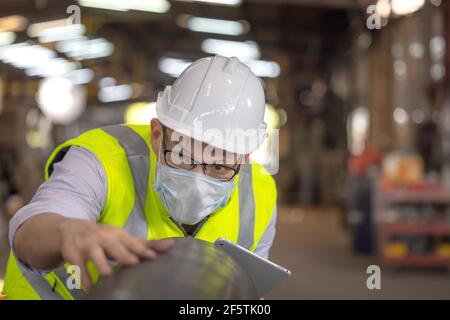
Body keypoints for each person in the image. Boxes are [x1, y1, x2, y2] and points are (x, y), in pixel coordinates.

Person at [2, 56, 278, 299]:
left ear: (244, 158)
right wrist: (67, 232)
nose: (197, 179)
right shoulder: (101, 157)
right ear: (157, 134)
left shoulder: (260, 195)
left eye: (218, 167)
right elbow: (31, 230)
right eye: (182, 156)